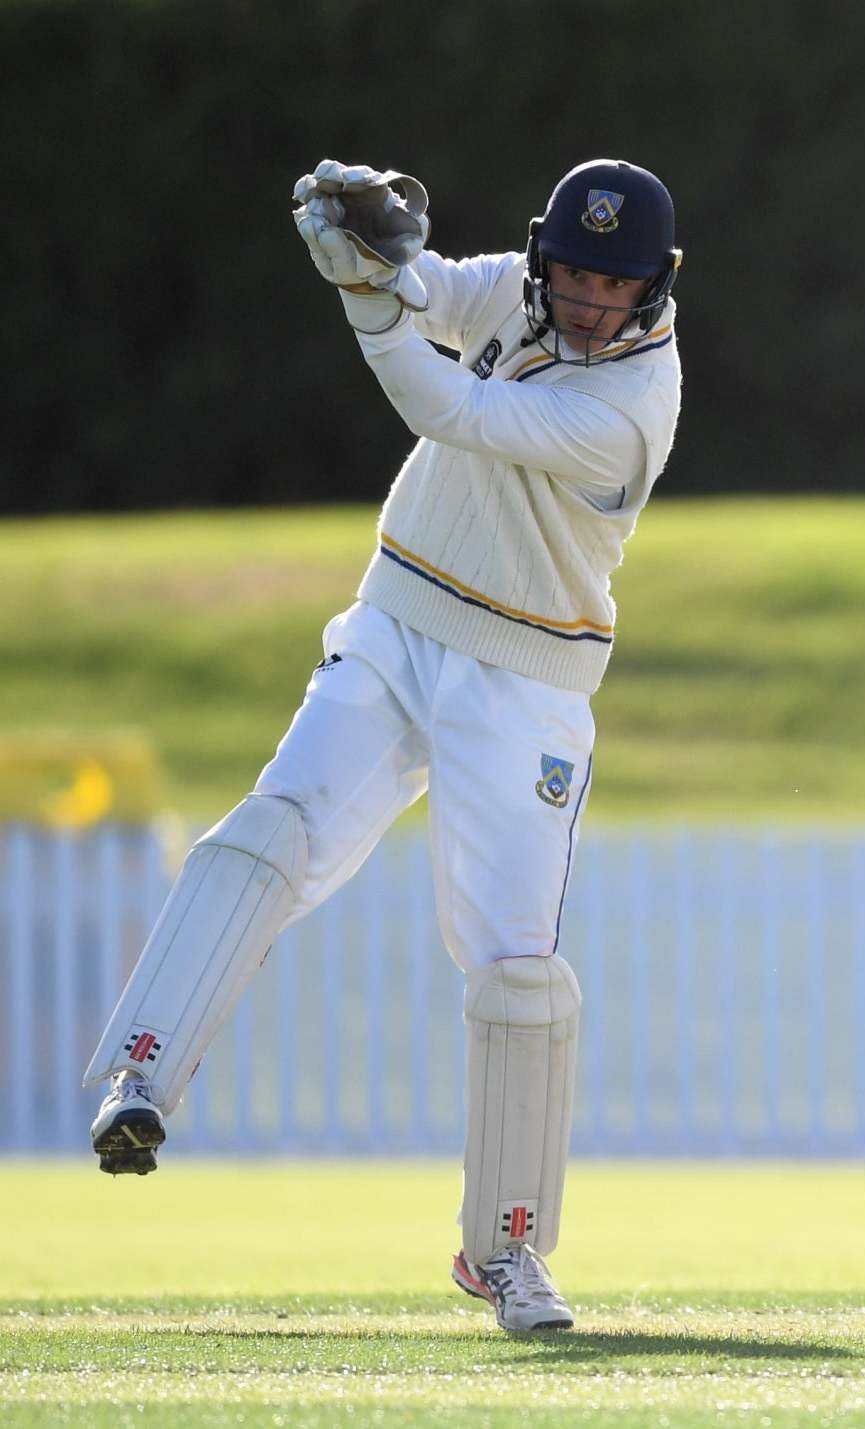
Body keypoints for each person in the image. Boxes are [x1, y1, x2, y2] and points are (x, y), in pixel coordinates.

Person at [81, 157, 684, 1333]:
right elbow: (445, 290)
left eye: (610, 283)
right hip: (401, 618)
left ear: (654, 288)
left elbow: (449, 404)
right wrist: (383, 247)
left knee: (516, 968)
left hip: (529, 675)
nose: (581, 298)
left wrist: (366, 296)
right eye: (569, 269)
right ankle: (139, 1074)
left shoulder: (629, 410)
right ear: (546, 252)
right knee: (271, 831)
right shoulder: (526, 288)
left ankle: (506, 1249)